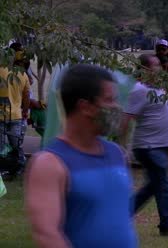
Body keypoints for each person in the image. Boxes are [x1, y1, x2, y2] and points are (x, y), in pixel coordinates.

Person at [25, 64, 137, 248]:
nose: (117, 107)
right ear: (85, 107)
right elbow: (47, 235)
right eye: (110, 100)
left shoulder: (117, 154)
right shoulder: (49, 163)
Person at [122, 54, 168, 237]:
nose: (161, 68)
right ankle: (166, 225)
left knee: (154, 186)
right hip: (148, 146)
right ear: (145, 69)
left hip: (160, 146)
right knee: (164, 184)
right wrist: (122, 148)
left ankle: (121, 215)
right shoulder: (139, 90)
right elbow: (127, 119)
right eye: (156, 65)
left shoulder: (161, 88)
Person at [0, 44, 30, 178]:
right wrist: (24, 111)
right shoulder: (23, 74)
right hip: (16, 115)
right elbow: (27, 96)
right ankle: (19, 168)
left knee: (0, 147)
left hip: (1, 116)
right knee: (16, 145)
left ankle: (2, 170)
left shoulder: (1, 70)